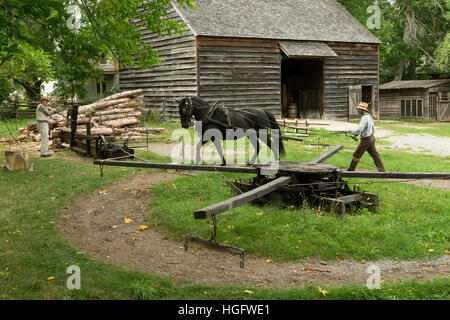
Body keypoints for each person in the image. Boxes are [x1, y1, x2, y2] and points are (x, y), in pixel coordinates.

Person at [344, 102, 386, 172]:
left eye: (359, 109)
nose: (358, 110)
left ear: (362, 110)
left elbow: (359, 129)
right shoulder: (369, 116)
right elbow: (369, 128)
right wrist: (358, 133)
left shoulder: (364, 118)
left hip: (366, 140)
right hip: (371, 137)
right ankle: (382, 170)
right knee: (375, 155)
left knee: (356, 154)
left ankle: (350, 170)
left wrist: (349, 130)